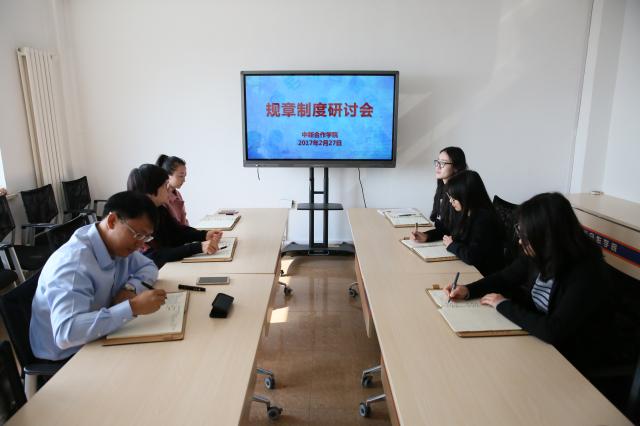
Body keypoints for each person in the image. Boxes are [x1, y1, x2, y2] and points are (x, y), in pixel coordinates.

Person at [444, 192, 612, 372]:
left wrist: (502, 304)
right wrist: (468, 290)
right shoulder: (541, 252)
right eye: (520, 232)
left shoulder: (587, 273)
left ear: (548, 238)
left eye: (525, 235)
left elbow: (553, 330)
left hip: (568, 357)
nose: (519, 241)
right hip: (535, 335)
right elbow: (504, 277)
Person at [30, 191, 167, 361]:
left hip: (100, 334)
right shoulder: (74, 264)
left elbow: (148, 267)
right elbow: (66, 333)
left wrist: (130, 288)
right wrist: (133, 307)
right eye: (138, 235)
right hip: (70, 355)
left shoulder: (114, 242)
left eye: (146, 237)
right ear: (112, 221)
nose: (140, 245)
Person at [127, 164, 222, 267]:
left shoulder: (160, 209)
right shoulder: (136, 220)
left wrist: (204, 235)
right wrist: (198, 247)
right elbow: (153, 256)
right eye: (165, 185)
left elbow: (178, 232)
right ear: (152, 190)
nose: (168, 189)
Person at [438, 170, 505, 276]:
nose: (451, 201)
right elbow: (448, 230)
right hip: (470, 268)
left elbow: (472, 256)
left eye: (454, 198)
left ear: (466, 197)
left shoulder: (484, 219)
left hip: (483, 274)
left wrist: (452, 245)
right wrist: (427, 236)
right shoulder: (467, 212)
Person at [411, 146, 467, 242]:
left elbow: (459, 232)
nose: (437, 166)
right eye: (437, 162)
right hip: (448, 243)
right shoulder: (442, 187)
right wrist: (426, 236)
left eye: (443, 163)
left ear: (456, 167)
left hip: (459, 246)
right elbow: (444, 229)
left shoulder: (461, 193)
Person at [156, 154, 188, 225]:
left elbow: (184, 222)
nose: (184, 180)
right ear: (167, 176)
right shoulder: (159, 198)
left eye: (184, 176)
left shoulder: (178, 194)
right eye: (181, 176)